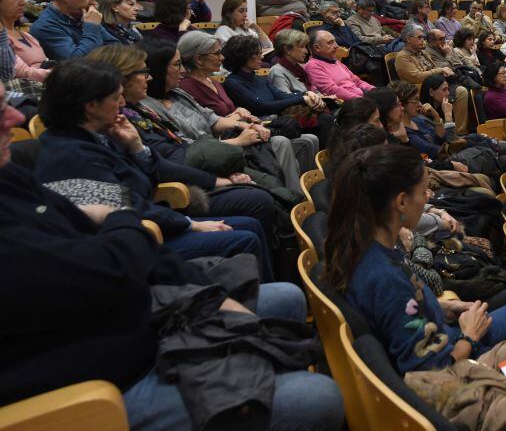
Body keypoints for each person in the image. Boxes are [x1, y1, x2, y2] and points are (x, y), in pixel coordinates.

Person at [0, 82, 344, 431]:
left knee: (286, 298)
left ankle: (262, 378)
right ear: (89, 105)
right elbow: (117, 258)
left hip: (136, 310)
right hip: (93, 382)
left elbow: (134, 213)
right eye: (0, 110)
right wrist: (131, 221)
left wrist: (201, 293)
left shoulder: (12, 173)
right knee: (316, 396)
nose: (15, 116)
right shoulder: (64, 155)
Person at [322, 143, 506, 374]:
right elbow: (431, 368)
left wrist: (442, 309)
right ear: (401, 202)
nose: (428, 199)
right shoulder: (382, 275)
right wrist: (470, 336)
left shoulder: (368, 248)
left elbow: (402, 315)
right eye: (423, 192)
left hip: (446, 328)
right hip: (455, 352)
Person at [35, 58, 271, 267]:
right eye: (116, 98)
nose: (122, 105)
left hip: (151, 219)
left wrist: (137, 148)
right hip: (133, 242)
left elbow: (151, 174)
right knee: (244, 236)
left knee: (250, 225)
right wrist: (191, 224)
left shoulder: (104, 132)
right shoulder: (70, 153)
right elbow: (125, 207)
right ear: (91, 106)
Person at [86, 44, 280, 277]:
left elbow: (161, 160)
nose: (149, 78)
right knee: (258, 202)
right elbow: (130, 199)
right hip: (163, 208)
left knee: (262, 193)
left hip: (179, 183)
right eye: (142, 72)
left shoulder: (131, 115)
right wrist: (190, 222)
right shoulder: (101, 138)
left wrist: (220, 180)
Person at [171, 33, 316, 188]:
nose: (221, 58)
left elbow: (227, 114)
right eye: (216, 53)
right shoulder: (187, 88)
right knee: (282, 141)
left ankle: (307, 188)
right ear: (199, 59)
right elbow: (204, 126)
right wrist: (239, 119)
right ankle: (292, 196)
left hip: (245, 129)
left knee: (309, 139)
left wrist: (241, 113)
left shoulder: (214, 83)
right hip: (227, 141)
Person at [394, 25, 470, 131]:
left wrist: (442, 71)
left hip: (434, 83)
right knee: (461, 91)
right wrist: (440, 70)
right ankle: (459, 131)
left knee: (464, 85)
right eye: (419, 37)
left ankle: (463, 128)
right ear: (408, 39)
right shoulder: (402, 57)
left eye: (423, 38)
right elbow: (416, 76)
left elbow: (435, 67)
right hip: (420, 87)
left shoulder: (422, 52)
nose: (423, 40)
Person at [30, 0, 111, 60]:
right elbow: (76, 61)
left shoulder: (81, 15)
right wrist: (92, 27)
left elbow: (115, 46)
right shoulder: (45, 27)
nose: (93, 1)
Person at [0, 0, 49, 83]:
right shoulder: (2, 39)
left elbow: (46, 62)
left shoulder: (26, 34)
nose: (23, 2)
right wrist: (61, 73)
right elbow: (22, 72)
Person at [305, 29, 375, 100]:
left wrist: (374, 90)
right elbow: (333, 90)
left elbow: (357, 81)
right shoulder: (313, 66)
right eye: (330, 42)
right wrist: (362, 100)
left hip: (361, 96)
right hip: (350, 103)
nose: (336, 46)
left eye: (335, 41)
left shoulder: (335, 61)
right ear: (317, 48)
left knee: (383, 94)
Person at [267, 29, 313, 94]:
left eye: (305, 47)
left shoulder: (299, 68)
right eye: (302, 47)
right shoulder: (277, 72)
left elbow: (313, 90)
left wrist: (323, 97)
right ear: (287, 49)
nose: (306, 51)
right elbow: (287, 100)